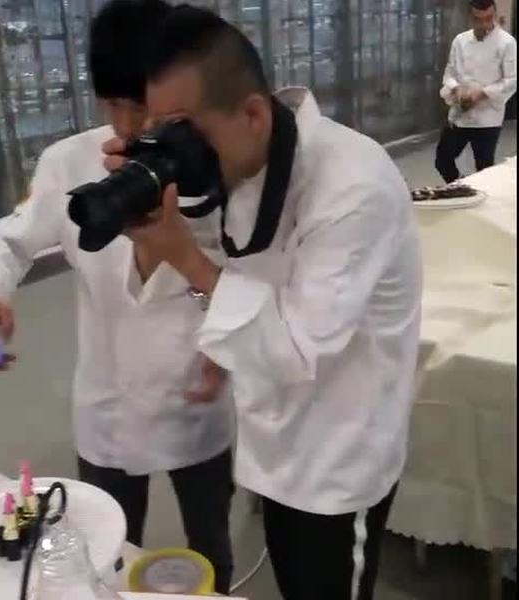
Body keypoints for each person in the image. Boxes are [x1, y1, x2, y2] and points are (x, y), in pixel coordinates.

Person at [105, 5, 423, 599]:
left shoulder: (353, 187)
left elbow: (299, 346)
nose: (179, 150)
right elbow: (242, 267)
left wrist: (184, 257)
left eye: (183, 130)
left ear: (253, 112)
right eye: (163, 131)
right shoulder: (242, 156)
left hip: (338, 456)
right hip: (274, 435)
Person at [0, 1, 235, 592]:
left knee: (211, 545)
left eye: (142, 106)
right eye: (112, 105)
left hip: (199, 393)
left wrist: (229, 341)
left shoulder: (214, 167)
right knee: (101, 553)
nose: (127, 125)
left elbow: (249, 273)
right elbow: (9, 242)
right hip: (110, 404)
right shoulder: (69, 162)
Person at [435, 0, 517, 183]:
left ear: (494, 15)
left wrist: (482, 94)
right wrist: (456, 89)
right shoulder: (460, 40)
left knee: (484, 168)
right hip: (460, 113)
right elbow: (450, 73)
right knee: (442, 160)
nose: (484, 24)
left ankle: (481, 195)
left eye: (489, 18)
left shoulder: (507, 43)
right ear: (470, 18)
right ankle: (462, 188)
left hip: (488, 117)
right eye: (478, 20)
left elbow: (512, 80)